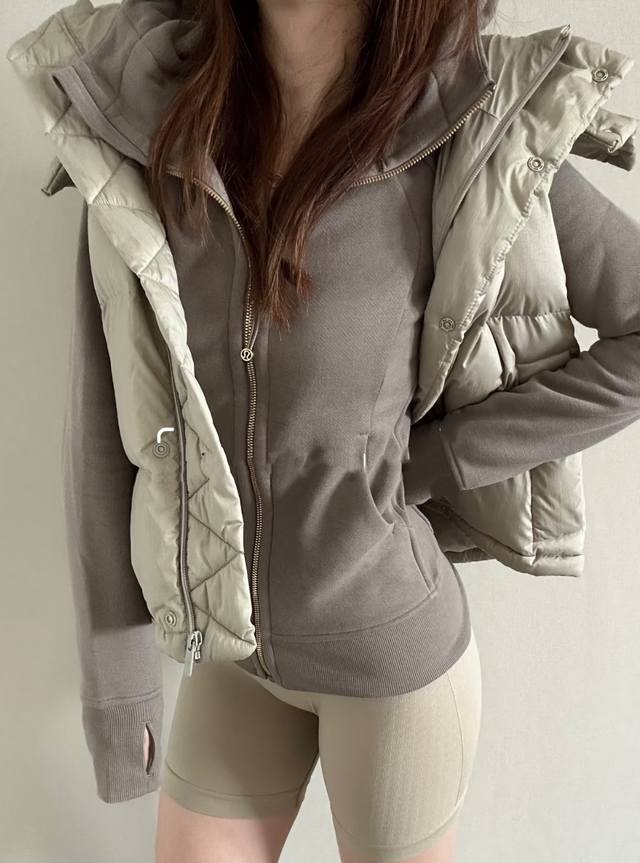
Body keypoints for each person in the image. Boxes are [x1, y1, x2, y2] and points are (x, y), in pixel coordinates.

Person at [7, 0, 640, 861]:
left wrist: (443, 458)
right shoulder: (145, 115)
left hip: (392, 666)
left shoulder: (469, 129)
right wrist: (117, 685)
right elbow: (106, 424)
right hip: (232, 657)